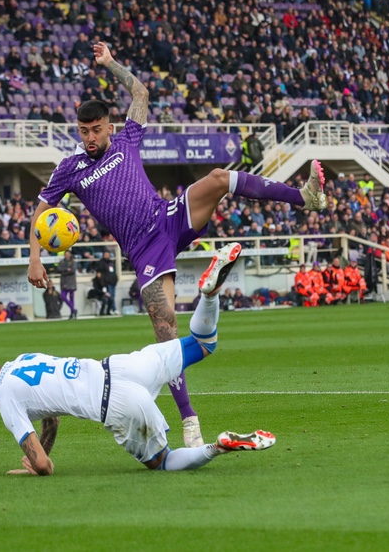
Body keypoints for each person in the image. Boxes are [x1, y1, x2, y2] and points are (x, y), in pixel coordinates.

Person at [27, 42, 326, 448]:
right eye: (83, 131)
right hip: (143, 249)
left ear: (109, 126)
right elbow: (41, 209)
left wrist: (111, 63)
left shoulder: (126, 139)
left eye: (96, 129)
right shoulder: (71, 168)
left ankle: (305, 197)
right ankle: (189, 420)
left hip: (168, 217)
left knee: (219, 178)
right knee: (165, 325)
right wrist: (35, 259)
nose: (90, 137)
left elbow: (141, 93)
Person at [0, 243, 274, 475]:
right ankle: (209, 295)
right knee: (204, 343)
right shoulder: (23, 359)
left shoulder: (5, 397)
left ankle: (218, 446)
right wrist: (42, 451)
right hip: (124, 365)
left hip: (115, 403)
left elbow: (45, 466)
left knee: (163, 461)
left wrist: (37, 465)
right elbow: (51, 415)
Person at [57, 250, 77, 319]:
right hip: (64, 282)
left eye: (68, 254)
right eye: (66, 254)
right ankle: (73, 309)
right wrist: (66, 270)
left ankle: (72, 313)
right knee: (63, 296)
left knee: (72, 298)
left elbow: (73, 271)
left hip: (71, 282)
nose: (67, 255)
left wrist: (64, 272)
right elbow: (58, 269)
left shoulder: (73, 262)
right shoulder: (62, 262)